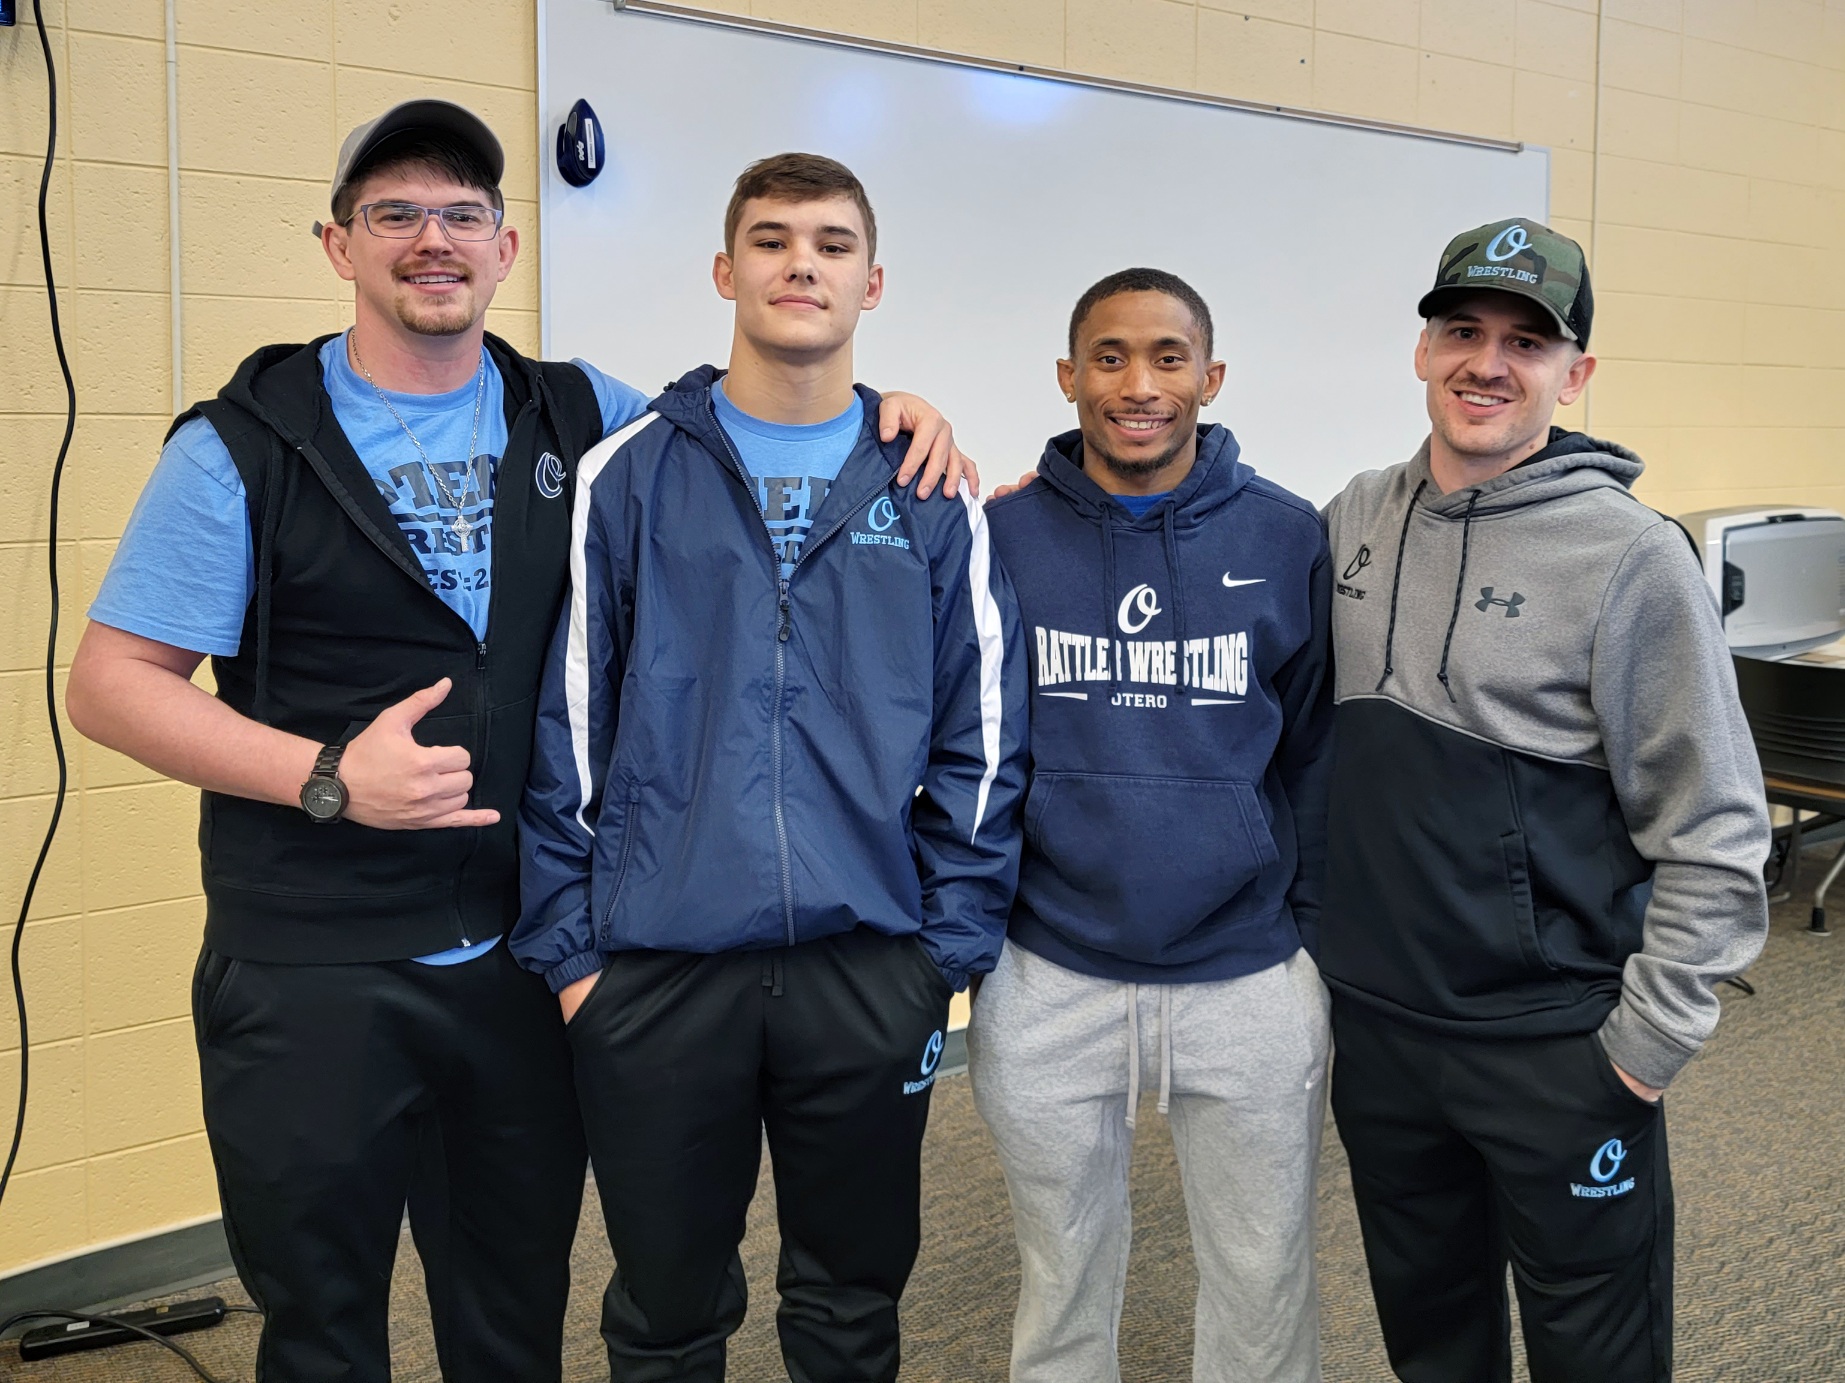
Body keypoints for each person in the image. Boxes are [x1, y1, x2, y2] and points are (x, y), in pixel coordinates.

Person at [63, 102, 974, 1383]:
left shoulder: (585, 421)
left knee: (513, 1317)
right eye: (394, 213)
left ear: (505, 249)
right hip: (313, 962)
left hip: (517, 969)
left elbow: (757, 416)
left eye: (462, 215)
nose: (431, 240)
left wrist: (897, 416)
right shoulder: (244, 447)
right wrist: (324, 776)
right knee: (321, 1324)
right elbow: (109, 686)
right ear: (337, 244)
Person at [512, 151, 1028, 1383]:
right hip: (657, 974)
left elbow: (984, 737)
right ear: (724, 269)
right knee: (665, 1312)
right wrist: (577, 964)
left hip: (868, 969)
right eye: (774, 239)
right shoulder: (630, 473)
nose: (804, 264)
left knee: (851, 1307)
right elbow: (569, 726)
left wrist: (941, 957)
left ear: (872, 282)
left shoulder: (932, 491)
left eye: (833, 244)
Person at [1318, 219, 1770, 1382]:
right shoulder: (1354, 516)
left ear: (1576, 374)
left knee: (1595, 1356)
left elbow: (1717, 826)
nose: (1487, 363)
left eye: (1527, 343)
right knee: (1432, 1344)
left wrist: (1645, 1049)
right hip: (1382, 1037)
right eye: (1463, 331)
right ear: (1423, 349)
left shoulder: (1632, 558)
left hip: (1556, 1049)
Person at [970, 269, 1334, 1383]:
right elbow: (970, 744)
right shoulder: (1001, 536)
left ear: (1210, 378)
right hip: (1050, 966)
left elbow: (1315, 752)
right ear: (1068, 375)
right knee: (1061, 1270)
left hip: (1244, 970)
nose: (1139, 384)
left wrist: (1311, 935)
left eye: (1169, 358)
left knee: (1263, 1275)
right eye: (1111, 356)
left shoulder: (1286, 536)